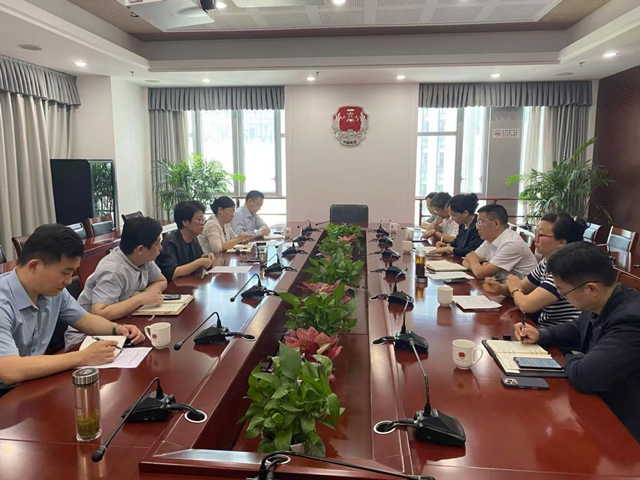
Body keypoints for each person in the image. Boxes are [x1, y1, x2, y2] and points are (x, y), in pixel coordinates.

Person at [514, 242, 640, 442]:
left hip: (622, 424)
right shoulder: (603, 299)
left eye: (564, 293)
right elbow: (576, 328)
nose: (563, 298)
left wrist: (572, 356)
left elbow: (585, 376)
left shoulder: (631, 320)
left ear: (591, 288)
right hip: (598, 402)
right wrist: (541, 334)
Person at [0, 225, 145, 395]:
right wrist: (83, 356)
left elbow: (84, 320)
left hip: (31, 383)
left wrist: (118, 329)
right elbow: (9, 371)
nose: (69, 281)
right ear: (34, 266)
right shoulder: (3, 300)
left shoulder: (52, 291)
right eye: (65, 273)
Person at [65, 216, 168, 348]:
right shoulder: (113, 270)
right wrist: (140, 298)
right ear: (140, 249)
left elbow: (161, 281)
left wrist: (144, 294)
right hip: (84, 337)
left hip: (119, 325)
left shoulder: (143, 260)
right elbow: (100, 312)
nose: (160, 248)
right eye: (157, 243)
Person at [484, 213, 586, 327]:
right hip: (544, 328)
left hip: (560, 332)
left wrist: (515, 289)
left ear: (561, 242)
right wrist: (501, 288)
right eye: (535, 233)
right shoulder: (547, 261)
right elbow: (523, 287)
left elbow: (526, 305)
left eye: (540, 235)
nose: (535, 239)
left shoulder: (566, 268)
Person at [463, 204, 537, 279]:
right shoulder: (490, 240)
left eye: (480, 222)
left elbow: (480, 273)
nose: (477, 228)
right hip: (499, 283)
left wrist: (474, 262)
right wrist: (479, 268)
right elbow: (465, 261)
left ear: (496, 223)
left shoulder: (511, 244)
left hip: (519, 286)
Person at [155, 201, 215, 282]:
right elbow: (171, 273)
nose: (203, 223)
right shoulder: (171, 242)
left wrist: (206, 257)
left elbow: (197, 258)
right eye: (199, 219)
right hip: (175, 287)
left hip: (190, 283)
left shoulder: (193, 238)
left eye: (203, 219)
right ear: (185, 222)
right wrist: (200, 262)